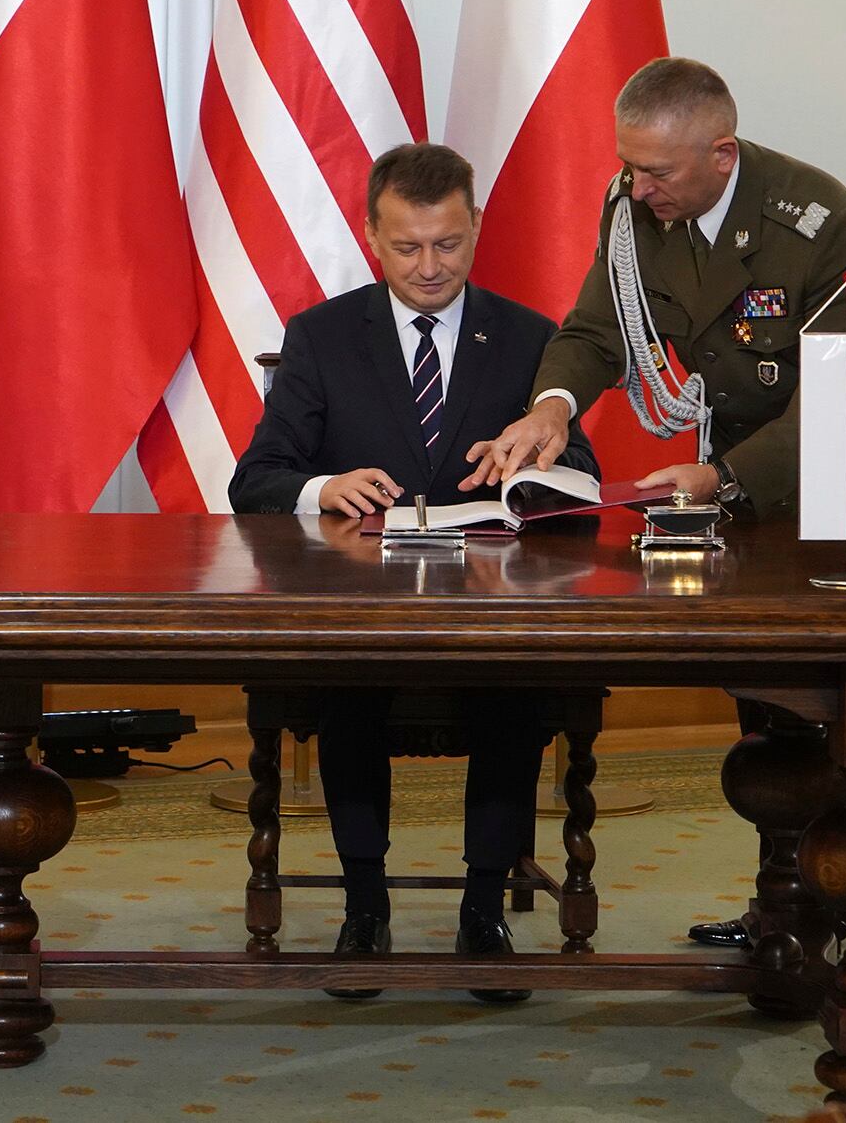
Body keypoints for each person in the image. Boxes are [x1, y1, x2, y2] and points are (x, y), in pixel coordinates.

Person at [467, 56, 846, 949]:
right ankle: (782, 909)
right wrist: (551, 409)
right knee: (768, 710)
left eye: (658, 172)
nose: (639, 188)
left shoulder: (819, 220)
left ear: (722, 153)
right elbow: (598, 330)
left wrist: (719, 478)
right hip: (752, 486)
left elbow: (843, 392)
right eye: (630, 167)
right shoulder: (637, 209)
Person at [230, 141, 598, 1001]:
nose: (430, 267)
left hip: (488, 611)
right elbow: (255, 479)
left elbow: (580, 477)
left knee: (514, 696)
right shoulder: (322, 336)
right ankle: (365, 911)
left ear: (476, 230)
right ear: (371, 235)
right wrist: (327, 485)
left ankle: (483, 913)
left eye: (449, 244)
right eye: (407, 247)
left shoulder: (528, 340)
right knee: (350, 695)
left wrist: (527, 469)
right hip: (361, 610)